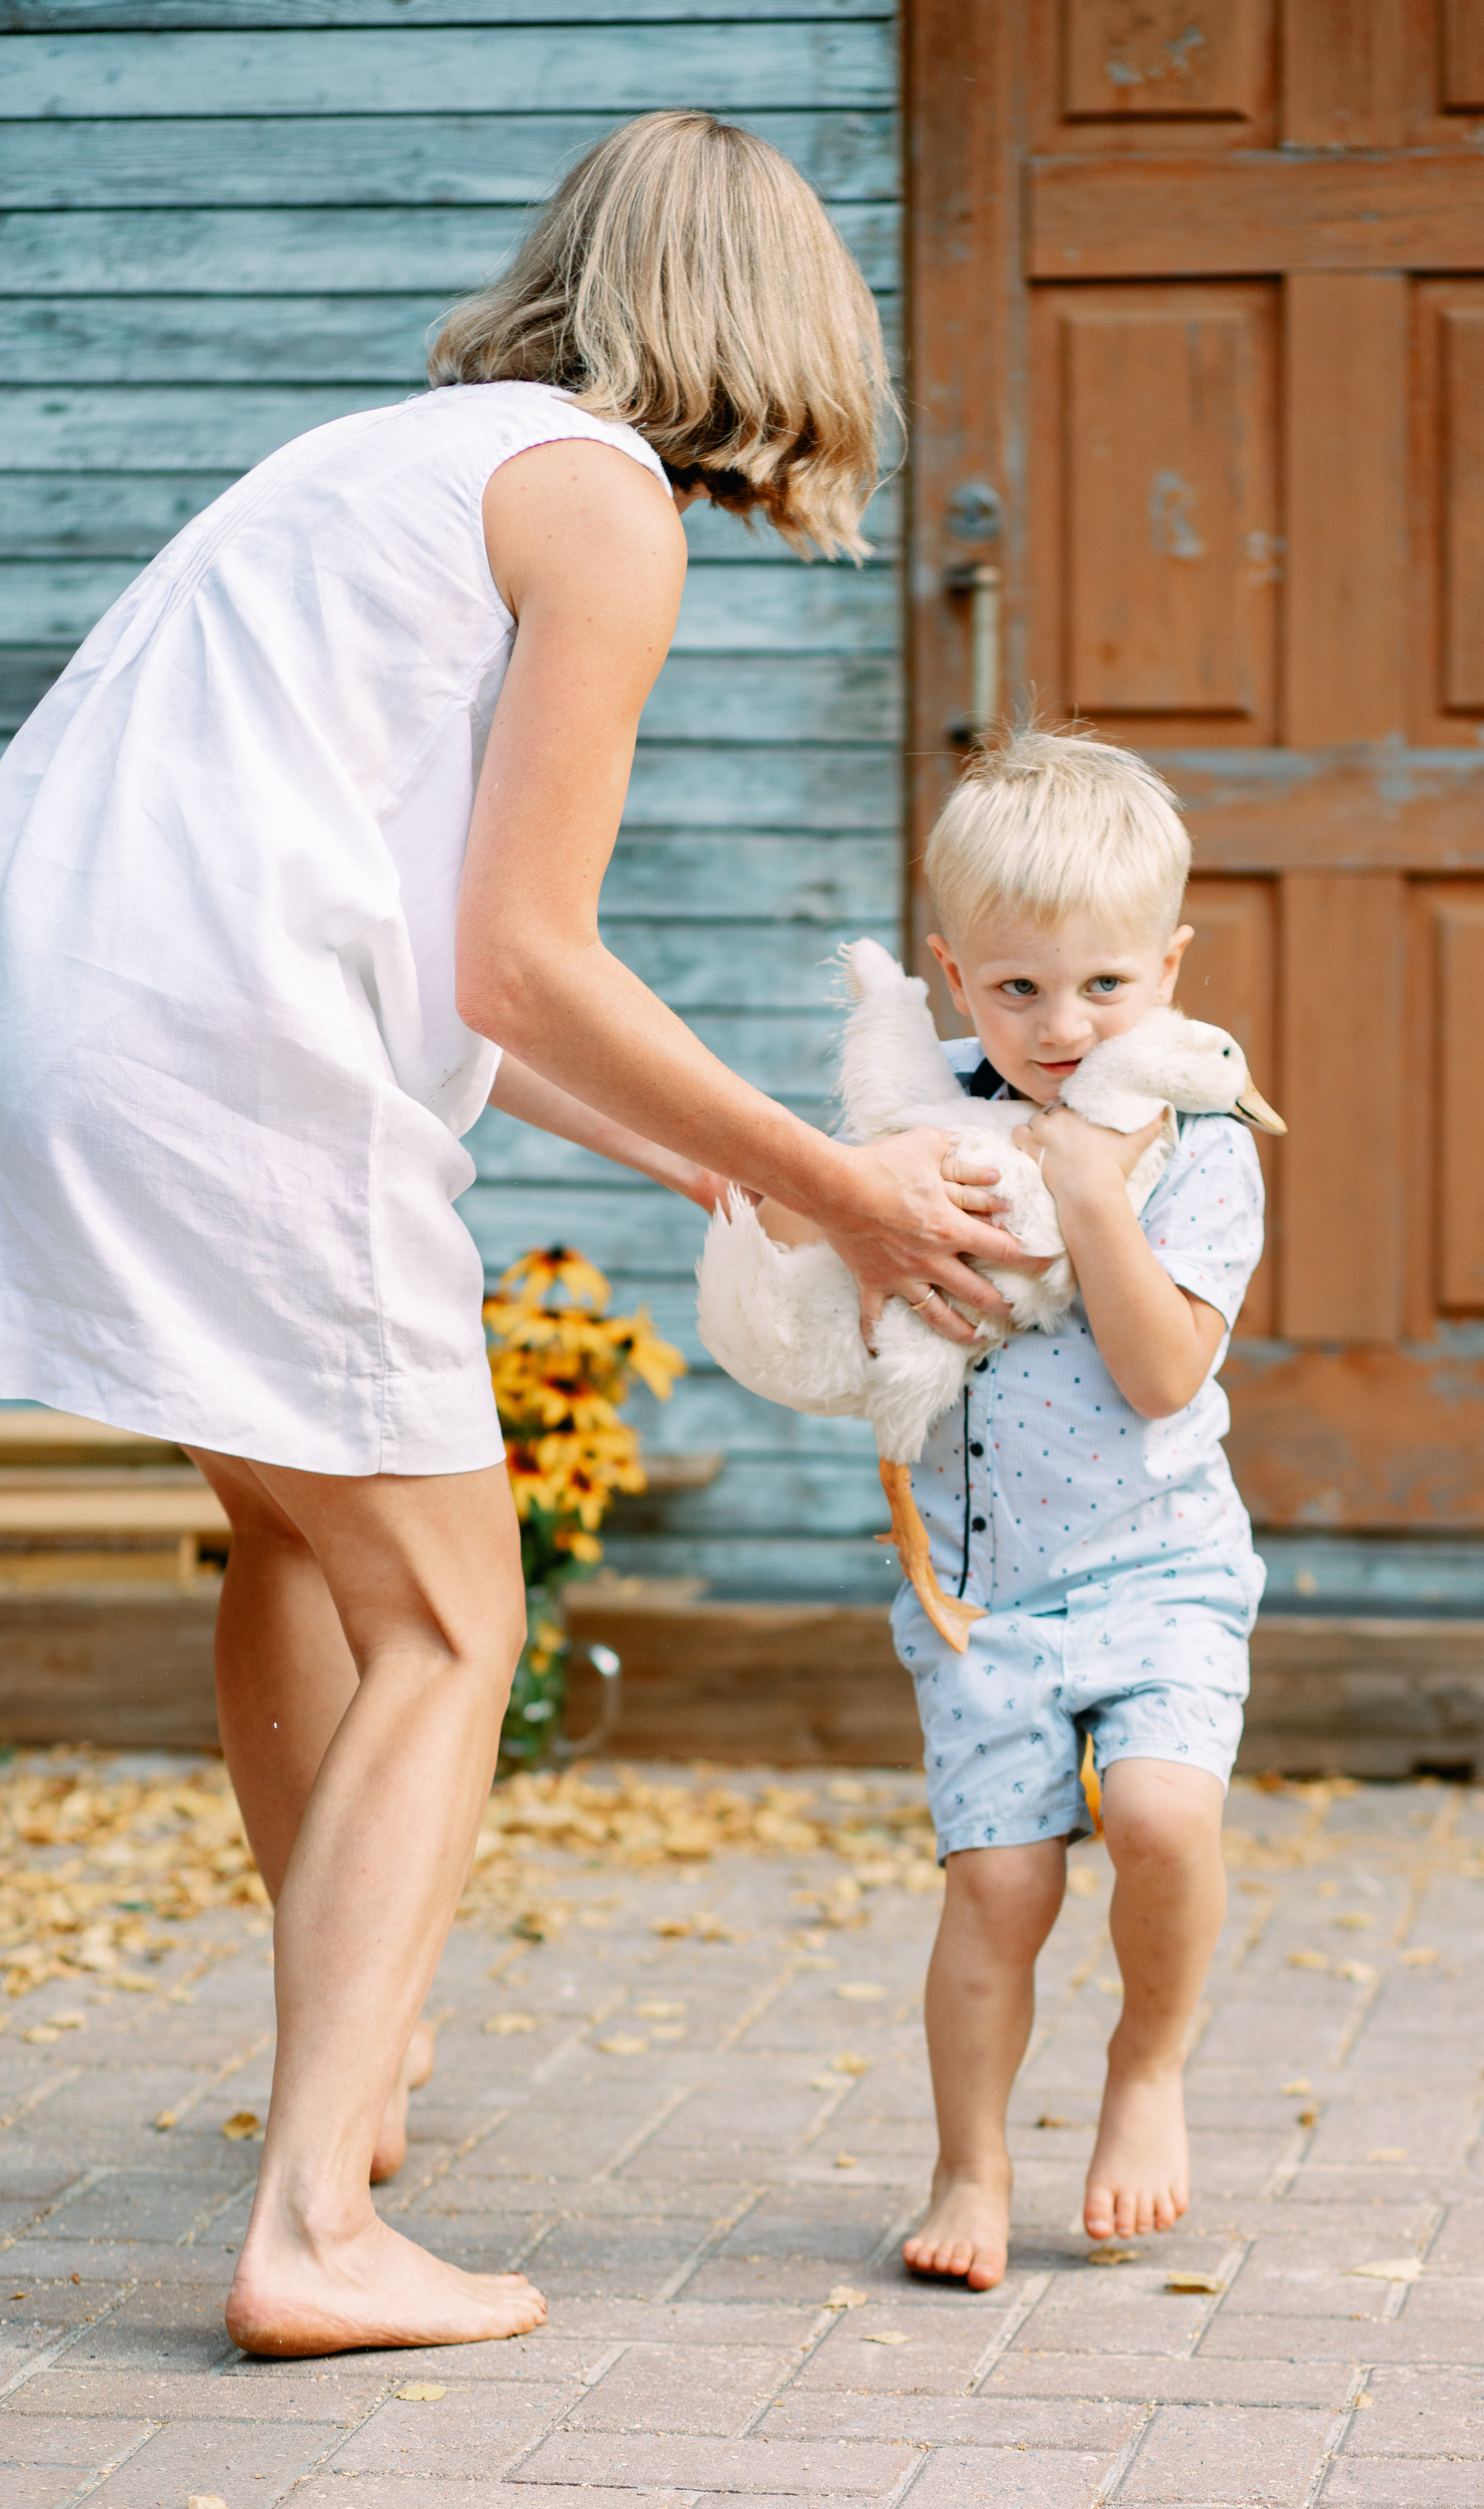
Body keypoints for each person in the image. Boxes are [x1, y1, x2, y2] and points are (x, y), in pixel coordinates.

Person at [0, 112, 1031, 2357]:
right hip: (220, 1056)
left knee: (301, 1540)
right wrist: (848, 1184)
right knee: (457, 1619)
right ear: (774, 328)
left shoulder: (381, 459)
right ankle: (311, 2237)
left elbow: (463, 959)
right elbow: (527, 962)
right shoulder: (595, 506)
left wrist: (731, 1168)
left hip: (70, 1012)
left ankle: (343, 2097)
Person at [765, 730, 1266, 2291]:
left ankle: (1147, 2072)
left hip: (1163, 1564)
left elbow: (1164, 1373)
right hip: (981, 1596)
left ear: (1167, 968)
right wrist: (857, 1242)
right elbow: (825, 1283)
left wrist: (1093, 1195)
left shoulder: (1195, 1146)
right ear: (952, 974)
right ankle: (968, 2164)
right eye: (1016, 990)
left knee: (1166, 1818)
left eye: (1105, 988)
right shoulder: (923, 1140)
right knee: (999, 1884)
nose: (1060, 1029)